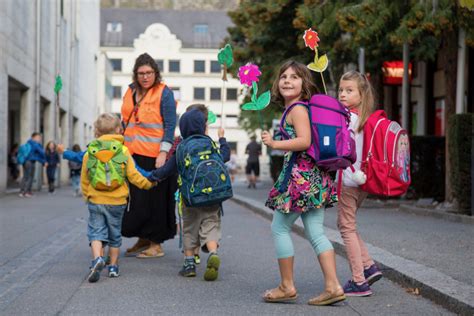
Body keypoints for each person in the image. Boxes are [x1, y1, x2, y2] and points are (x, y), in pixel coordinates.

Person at [261, 60, 345, 306]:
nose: (287, 80)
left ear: (304, 84)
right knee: (316, 232)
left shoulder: (297, 109)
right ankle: (332, 286)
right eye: (283, 76)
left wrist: (275, 144)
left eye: (295, 77)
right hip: (314, 178)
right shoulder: (296, 108)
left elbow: (304, 141)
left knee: (279, 228)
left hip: (301, 179)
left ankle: (287, 286)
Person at [148, 108, 230, 281]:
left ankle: (189, 264)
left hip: (190, 198)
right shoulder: (210, 144)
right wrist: (222, 138)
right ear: (203, 127)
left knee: (189, 230)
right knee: (211, 225)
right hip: (213, 196)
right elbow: (225, 156)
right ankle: (213, 252)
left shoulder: (182, 147)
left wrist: (152, 177)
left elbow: (167, 170)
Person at [81, 113, 154, 283]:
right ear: (118, 130)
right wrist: (148, 184)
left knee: (96, 233)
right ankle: (113, 267)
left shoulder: (90, 152)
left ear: (97, 131)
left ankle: (97, 260)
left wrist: (87, 196)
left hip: (96, 200)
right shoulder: (122, 151)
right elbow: (133, 175)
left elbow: (85, 178)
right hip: (117, 201)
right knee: (114, 235)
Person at [121, 53, 178, 258]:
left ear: (156, 73)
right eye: (141, 73)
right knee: (136, 200)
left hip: (154, 155)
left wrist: (163, 151)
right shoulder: (129, 91)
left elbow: (170, 124)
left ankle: (156, 244)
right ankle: (143, 238)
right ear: (135, 74)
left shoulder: (164, 92)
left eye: (149, 73)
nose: (145, 77)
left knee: (156, 199)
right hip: (131, 153)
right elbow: (124, 122)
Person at [336, 70, 382, 296]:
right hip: (361, 180)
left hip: (348, 180)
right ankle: (369, 266)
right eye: (341, 90)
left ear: (361, 94)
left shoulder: (347, 119)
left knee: (346, 228)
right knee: (349, 225)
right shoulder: (365, 119)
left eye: (349, 90)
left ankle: (358, 281)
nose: (342, 94)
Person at [19, 132, 46, 197]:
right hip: (30, 162)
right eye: (38, 137)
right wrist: (44, 161)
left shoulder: (28, 143)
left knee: (25, 176)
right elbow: (42, 152)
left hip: (25, 162)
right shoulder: (35, 144)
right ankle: (27, 192)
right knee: (30, 177)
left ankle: (22, 192)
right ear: (33, 137)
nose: (39, 139)